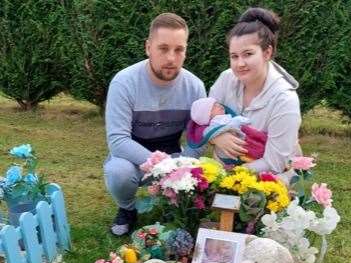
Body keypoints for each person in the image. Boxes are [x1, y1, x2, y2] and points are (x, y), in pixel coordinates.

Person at [104, 13, 206, 236]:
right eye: (163, 48)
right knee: (118, 172)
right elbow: (118, 141)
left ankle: (175, 205)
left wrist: (181, 167)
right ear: (148, 47)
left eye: (179, 50)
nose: (171, 58)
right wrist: (163, 167)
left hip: (172, 153)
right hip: (132, 156)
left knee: (200, 168)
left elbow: (197, 140)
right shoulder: (124, 82)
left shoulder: (195, 87)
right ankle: (127, 209)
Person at [209, 7, 302, 177]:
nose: (240, 64)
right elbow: (203, 119)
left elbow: (276, 162)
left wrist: (231, 176)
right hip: (220, 176)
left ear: (267, 52)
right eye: (234, 56)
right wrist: (215, 137)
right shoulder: (225, 79)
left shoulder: (285, 99)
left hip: (268, 184)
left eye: (248, 54)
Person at [188, 97, 268, 165]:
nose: (219, 105)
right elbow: (210, 132)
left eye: (217, 103)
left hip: (241, 141)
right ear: (207, 115)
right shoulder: (215, 122)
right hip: (231, 151)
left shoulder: (225, 117)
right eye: (214, 106)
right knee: (253, 149)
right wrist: (237, 121)